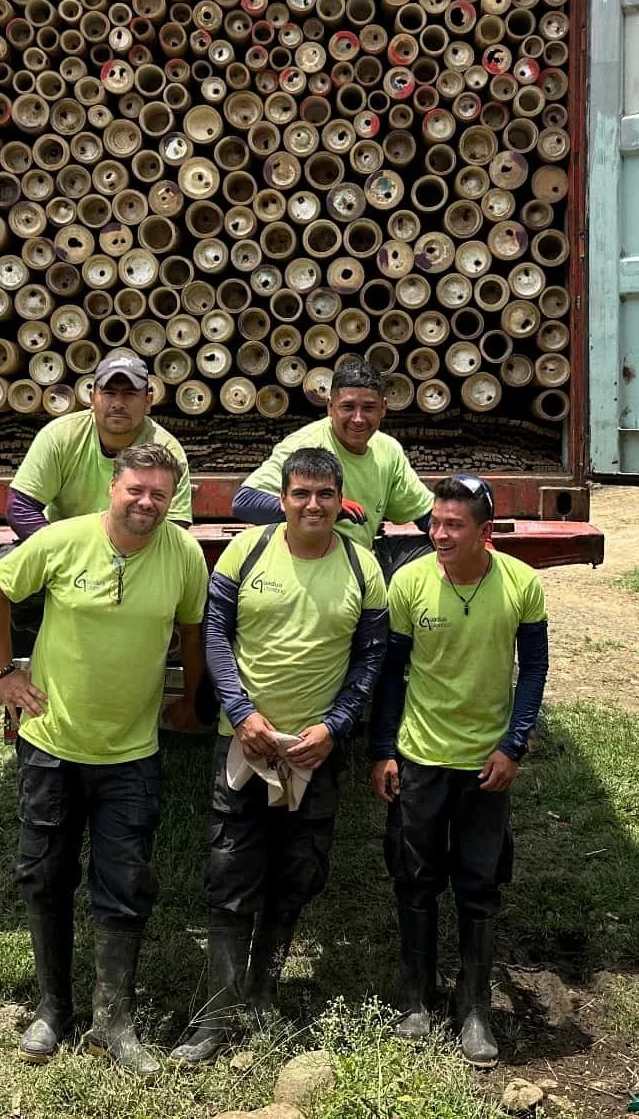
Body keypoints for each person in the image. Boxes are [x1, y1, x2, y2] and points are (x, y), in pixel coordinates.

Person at [0, 442, 207, 1076]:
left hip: (132, 753)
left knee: (124, 883)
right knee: (45, 876)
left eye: (160, 494)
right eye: (137, 489)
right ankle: (54, 1009)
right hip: (53, 744)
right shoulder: (60, 541)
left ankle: (114, 1019)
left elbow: (192, 631)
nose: (146, 503)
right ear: (113, 485)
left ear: (172, 499)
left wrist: (190, 701)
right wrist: (3, 674)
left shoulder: (184, 554)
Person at [172, 446, 390, 1065]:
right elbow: (215, 631)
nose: (312, 506)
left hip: (313, 750)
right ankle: (217, 1012)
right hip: (245, 741)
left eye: (325, 495)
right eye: (301, 494)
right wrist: (241, 713)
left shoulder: (363, 566)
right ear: (284, 497)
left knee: (297, 871)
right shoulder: (249, 550)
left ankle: (263, 993)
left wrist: (337, 726)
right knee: (230, 870)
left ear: (340, 500)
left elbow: (371, 658)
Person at [370, 474, 549, 1068]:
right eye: (434, 524)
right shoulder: (410, 582)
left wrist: (513, 746)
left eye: (453, 526)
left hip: (484, 765)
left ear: (485, 532)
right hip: (421, 757)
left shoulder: (521, 584)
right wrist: (383, 750)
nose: (439, 535)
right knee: (414, 879)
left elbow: (533, 671)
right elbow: (391, 673)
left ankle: (474, 1008)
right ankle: (415, 1000)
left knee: (479, 884)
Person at [0, 350, 193, 655]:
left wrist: (122, 568)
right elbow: (20, 506)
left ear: (149, 400)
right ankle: (19, 667)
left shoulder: (166, 449)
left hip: (138, 556)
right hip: (66, 554)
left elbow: (176, 525)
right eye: (109, 392)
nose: (118, 403)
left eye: (130, 394)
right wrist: (67, 558)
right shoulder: (61, 436)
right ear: (92, 396)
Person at [233, 357, 435, 578]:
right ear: (330, 406)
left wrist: (460, 533)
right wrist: (327, 507)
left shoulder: (387, 449)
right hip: (309, 561)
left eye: (368, 408)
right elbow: (245, 502)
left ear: (384, 408)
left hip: (362, 555)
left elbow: (424, 512)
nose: (358, 419)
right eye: (348, 407)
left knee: (451, 550)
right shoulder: (305, 444)